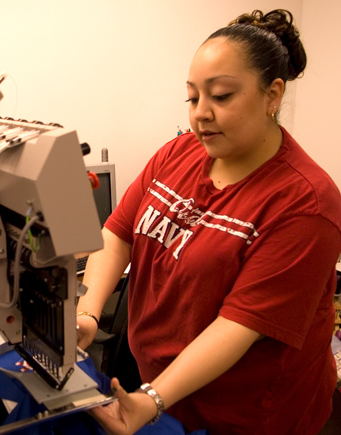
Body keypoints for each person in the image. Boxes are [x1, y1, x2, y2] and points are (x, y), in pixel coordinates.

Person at [76, 9, 341, 435]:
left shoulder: (306, 205)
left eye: (220, 96)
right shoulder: (178, 153)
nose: (201, 113)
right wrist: (87, 313)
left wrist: (153, 400)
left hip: (244, 415)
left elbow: (237, 327)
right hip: (160, 388)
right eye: (193, 97)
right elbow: (117, 234)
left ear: (273, 94)